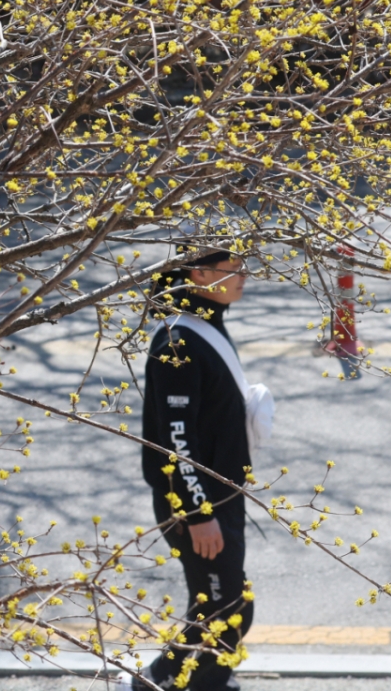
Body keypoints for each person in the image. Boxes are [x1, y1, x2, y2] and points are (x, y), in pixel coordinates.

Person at [134, 248, 269, 691]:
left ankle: (206, 682)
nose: (244, 277)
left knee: (229, 606)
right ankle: (155, 681)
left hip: (220, 495)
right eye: (234, 270)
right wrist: (199, 515)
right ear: (199, 273)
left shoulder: (205, 324)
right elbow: (175, 438)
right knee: (221, 607)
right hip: (199, 503)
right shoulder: (178, 341)